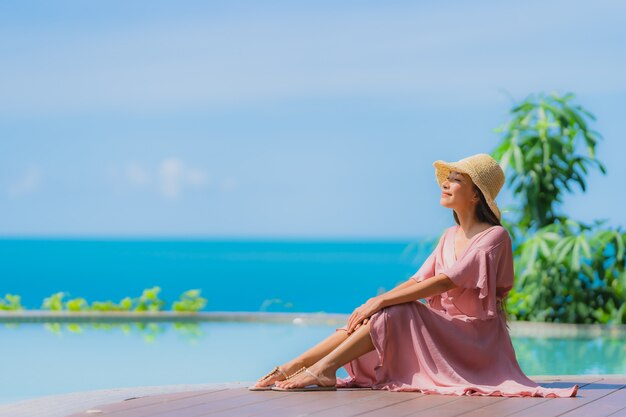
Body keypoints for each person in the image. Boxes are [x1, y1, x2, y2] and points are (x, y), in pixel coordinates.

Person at [249, 153, 580, 397]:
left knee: (396, 308)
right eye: (447, 179)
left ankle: (323, 369)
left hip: (474, 338)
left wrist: (381, 300)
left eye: (456, 180)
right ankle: (293, 366)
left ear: (476, 194)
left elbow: (446, 280)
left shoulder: (495, 236)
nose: (446, 185)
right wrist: (373, 304)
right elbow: (418, 280)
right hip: (446, 329)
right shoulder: (449, 237)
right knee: (379, 312)